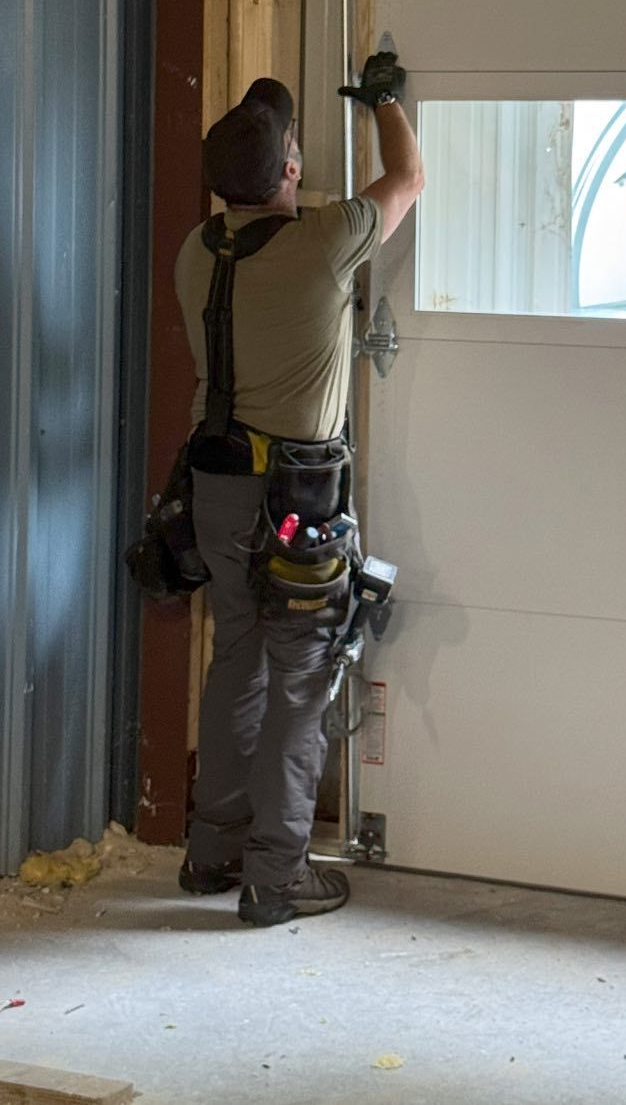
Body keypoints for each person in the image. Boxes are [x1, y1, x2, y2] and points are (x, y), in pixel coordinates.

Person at [171, 53, 423, 926]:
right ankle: (275, 880)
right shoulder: (324, 242)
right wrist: (384, 102)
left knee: (234, 662)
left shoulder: (196, 253)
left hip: (216, 491)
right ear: (290, 170)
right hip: (297, 508)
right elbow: (408, 178)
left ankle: (211, 854)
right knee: (300, 683)